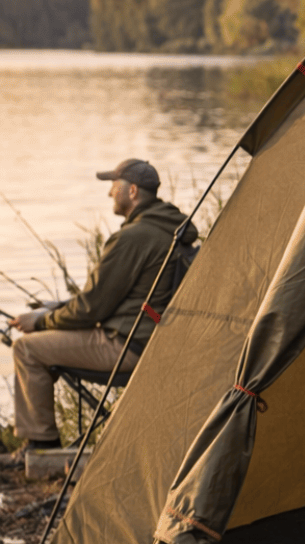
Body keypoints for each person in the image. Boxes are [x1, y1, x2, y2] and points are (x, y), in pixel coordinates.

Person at [5, 159, 197, 456]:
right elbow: (108, 301)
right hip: (155, 342)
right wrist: (55, 310)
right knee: (42, 337)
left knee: (27, 349)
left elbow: (90, 309)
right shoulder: (171, 229)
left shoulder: (133, 237)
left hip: (128, 347)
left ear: (132, 191)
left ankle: (42, 447)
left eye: (114, 186)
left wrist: (40, 322)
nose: (110, 193)